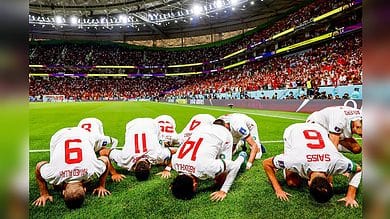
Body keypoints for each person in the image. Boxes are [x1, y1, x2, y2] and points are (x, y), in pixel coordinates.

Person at [262, 123, 362, 207]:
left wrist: (350, 195)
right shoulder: (294, 160)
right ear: (308, 183)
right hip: (293, 130)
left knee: (294, 179)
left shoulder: (337, 162)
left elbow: (358, 169)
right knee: (292, 182)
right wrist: (278, 190)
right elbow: (266, 163)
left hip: (318, 129)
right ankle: (284, 165)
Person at [33, 127, 119, 209]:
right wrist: (44, 194)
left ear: (63, 192)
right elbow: (39, 166)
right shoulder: (54, 175)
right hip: (66, 135)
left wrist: (101, 186)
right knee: (55, 183)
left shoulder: (92, 171)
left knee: (55, 185)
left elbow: (105, 160)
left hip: (80, 134)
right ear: (84, 189)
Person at [169, 119, 247, 201]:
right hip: (201, 129)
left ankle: (241, 156)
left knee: (221, 180)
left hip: (223, 134)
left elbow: (234, 167)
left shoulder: (207, 167)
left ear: (195, 185)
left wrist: (223, 190)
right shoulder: (175, 163)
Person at [100, 118, 175, 181]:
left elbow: (102, 152)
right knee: (160, 150)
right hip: (143, 124)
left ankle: (163, 147)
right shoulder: (124, 159)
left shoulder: (157, 155)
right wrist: (114, 173)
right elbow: (103, 152)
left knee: (160, 145)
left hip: (144, 124)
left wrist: (114, 173)